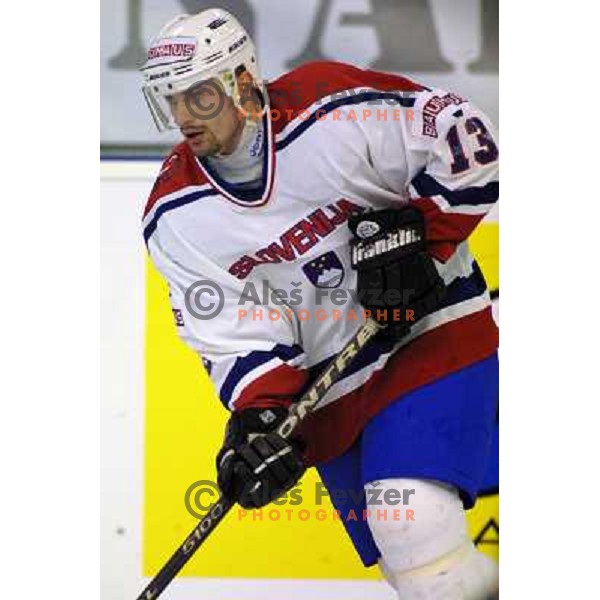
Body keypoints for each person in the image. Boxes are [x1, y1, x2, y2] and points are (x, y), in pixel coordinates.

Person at [140, 7, 499, 599]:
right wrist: (258, 419)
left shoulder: (331, 107)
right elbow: (229, 331)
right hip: (331, 391)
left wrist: (426, 245)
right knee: (410, 566)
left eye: (197, 97)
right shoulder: (175, 217)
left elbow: (465, 139)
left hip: (430, 334)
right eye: (169, 101)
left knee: (411, 521)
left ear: (241, 82)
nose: (183, 117)